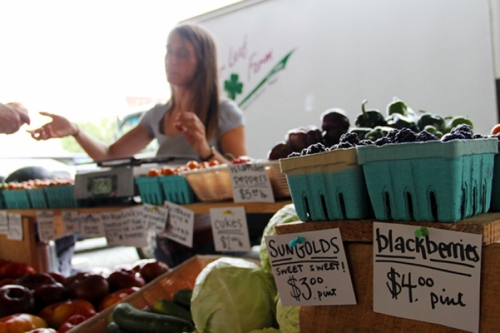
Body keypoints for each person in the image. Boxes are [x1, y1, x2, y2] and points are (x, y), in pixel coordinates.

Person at [29, 23, 248, 267]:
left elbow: (243, 178)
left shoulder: (223, 112)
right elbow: (111, 156)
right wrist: (75, 131)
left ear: (202, 61)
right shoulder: (156, 116)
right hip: (166, 238)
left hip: (214, 237)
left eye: (182, 52)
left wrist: (205, 151)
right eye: (168, 51)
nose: (171, 59)